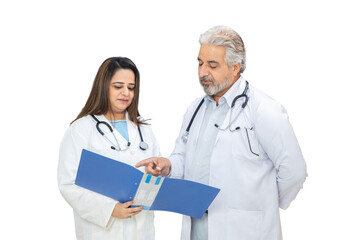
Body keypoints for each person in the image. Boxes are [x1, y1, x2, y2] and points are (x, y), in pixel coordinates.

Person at [136, 26, 307, 240]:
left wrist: (264, 206)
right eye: (200, 63)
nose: (202, 72)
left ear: (235, 67)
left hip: (245, 231)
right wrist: (167, 165)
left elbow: (294, 171)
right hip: (198, 229)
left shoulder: (264, 110)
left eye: (212, 65)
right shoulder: (195, 109)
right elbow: (184, 158)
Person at [58, 57, 160, 240]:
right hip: (102, 231)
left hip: (142, 230)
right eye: (118, 86)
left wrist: (155, 174)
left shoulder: (144, 131)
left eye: (131, 87)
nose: (126, 93)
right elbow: (68, 183)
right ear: (103, 86)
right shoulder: (81, 130)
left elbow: (156, 179)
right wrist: (110, 209)